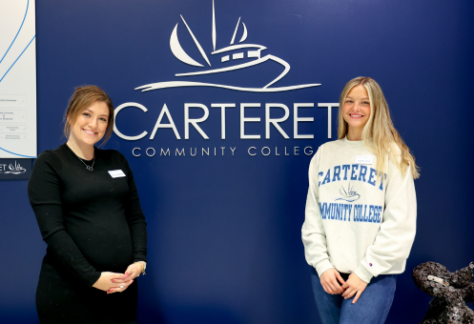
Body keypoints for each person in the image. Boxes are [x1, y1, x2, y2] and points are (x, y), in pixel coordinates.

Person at [302, 77, 418, 324]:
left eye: (365, 102)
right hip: (327, 275)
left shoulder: (392, 155)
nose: (356, 108)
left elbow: (400, 224)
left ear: (377, 108)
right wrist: (322, 265)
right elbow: (313, 219)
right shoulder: (325, 154)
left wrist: (365, 270)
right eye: (350, 101)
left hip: (372, 275)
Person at [28, 85, 147, 324]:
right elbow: (53, 232)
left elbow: (135, 217)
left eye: (102, 119)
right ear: (71, 115)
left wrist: (139, 260)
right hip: (70, 293)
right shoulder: (50, 163)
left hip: (120, 290)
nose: (94, 124)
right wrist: (92, 278)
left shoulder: (116, 160)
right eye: (87, 114)